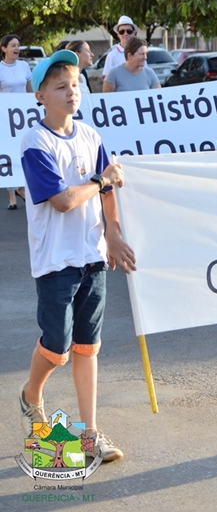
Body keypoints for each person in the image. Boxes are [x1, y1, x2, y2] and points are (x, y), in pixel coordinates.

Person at [18, 49, 136, 461]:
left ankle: (90, 436)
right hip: (55, 261)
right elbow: (64, 200)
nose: (71, 93)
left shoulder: (90, 136)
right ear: (39, 95)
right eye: (59, 86)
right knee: (57, 349)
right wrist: (100, 178)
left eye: (74, 85)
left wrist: (115, 234)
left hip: (92, 256)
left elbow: (109, 191)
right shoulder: (34, 141)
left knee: (88, 348)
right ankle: (31, 393)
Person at [1, 34, 31, 209]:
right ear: (4, 49)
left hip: (23, 116)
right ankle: (12, 194)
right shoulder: (0, 68)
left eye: (18, 45)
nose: (16, 48)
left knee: (24, 150)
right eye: (12, 45)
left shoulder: (24, 66)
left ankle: (23, 186)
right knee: (8, 152)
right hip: (6, 118)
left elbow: (29, 91)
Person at [102, 15, 137, 79]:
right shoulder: (112, 56)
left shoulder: (140, 53)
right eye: (122, 31)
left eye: (129, 31)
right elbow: (107, 81)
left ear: (134, 33)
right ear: (118, 34)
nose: (125, 34)